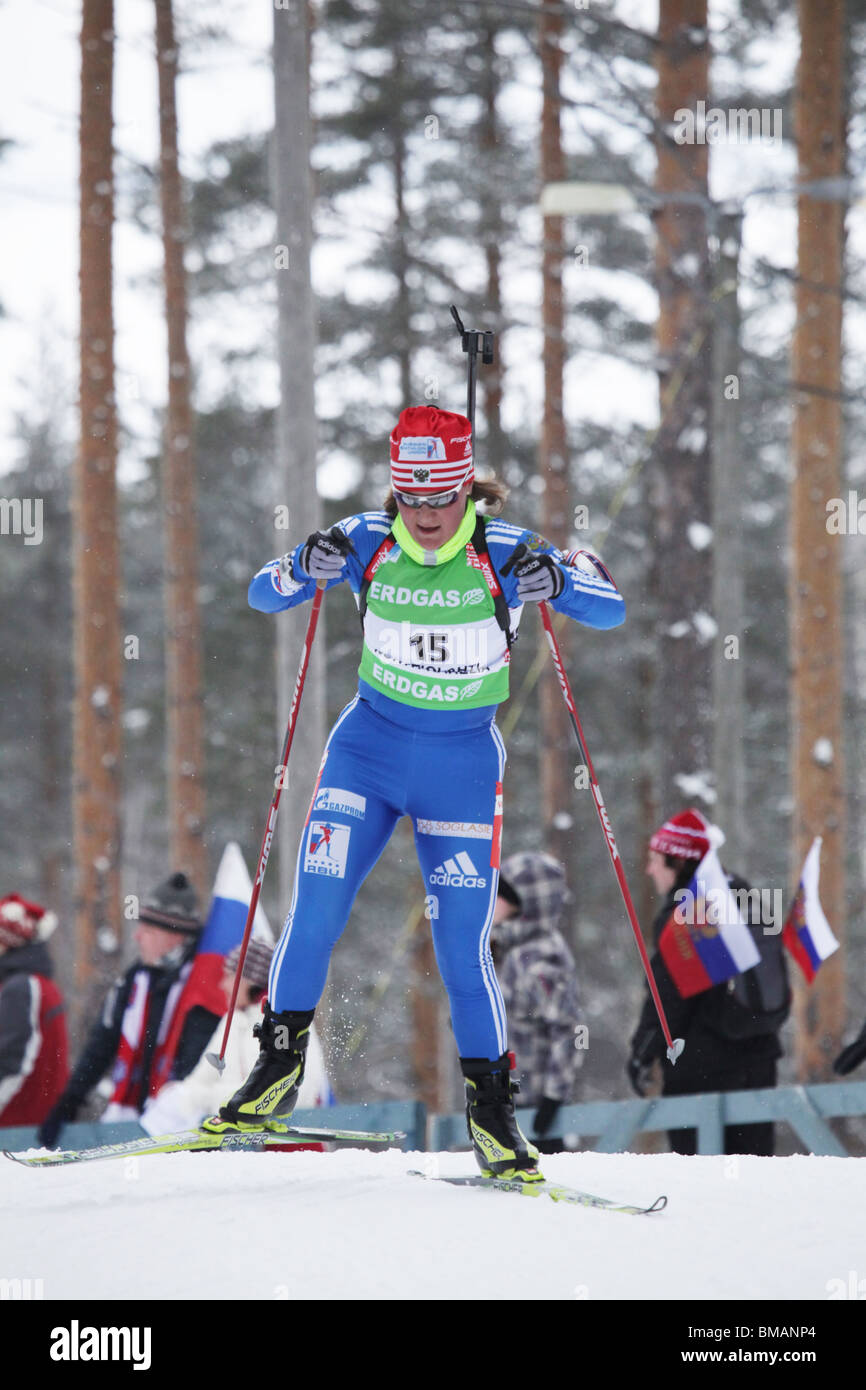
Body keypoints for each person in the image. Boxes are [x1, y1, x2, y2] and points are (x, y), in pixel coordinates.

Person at [203, 404, 624, 1182]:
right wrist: (304, 564)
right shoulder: (366, 538)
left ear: (467, 489)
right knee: (315, 909)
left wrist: (558, 579)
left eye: (442, 499)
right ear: (395, 493)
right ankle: (276, 1073)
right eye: (412, 499)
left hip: (461, 769)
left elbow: (608, 606)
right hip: (365, 754)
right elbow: (263, 594)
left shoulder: (505, 550)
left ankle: (494, 1115)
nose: (427, 517)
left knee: (461, 947)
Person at [627, 809, 791, 1156]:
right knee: (753, 1180)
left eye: (656, 860)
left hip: (701, 1068)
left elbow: (667, 996)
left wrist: (643, 1052)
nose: (649, 869)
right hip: (760, 1063)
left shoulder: (687, 912)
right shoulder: (746, 897)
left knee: (700, 1190)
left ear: (679, 861)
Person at [38, 872, 221, 1149]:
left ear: (174, 936)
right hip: (132, 1113)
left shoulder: (202, 987)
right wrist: (68, 1103)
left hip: (180, 1124)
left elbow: (195, 1063)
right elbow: (102, 1044)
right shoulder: (135, 980)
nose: (137, 936)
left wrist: (171, 1106)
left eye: (147, 930)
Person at [139, 939, 330, 1135]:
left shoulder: (286, 1024)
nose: (223, 985)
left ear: (250, 981)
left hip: (286, 1145)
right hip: (242, 1146)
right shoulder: (231, 1021)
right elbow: (200, 1080)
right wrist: (178, 1094)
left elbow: (301, 1093)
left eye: (230, 976)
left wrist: (203, 1098)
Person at [491, 853, 583, 1153]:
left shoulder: (541, 958)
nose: (492, 902)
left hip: (533, 1109)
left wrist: (554, 1097)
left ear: (524, 903)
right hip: (506, 1101)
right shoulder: (509, 948)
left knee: (537, 1185)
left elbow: (574, 1031)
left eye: (500, 895)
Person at [0, 893, 68, 1127]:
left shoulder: (20, 987)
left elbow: (12, 1060)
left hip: (18, 1126)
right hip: (37, 1123)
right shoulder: (38, 982)